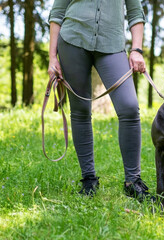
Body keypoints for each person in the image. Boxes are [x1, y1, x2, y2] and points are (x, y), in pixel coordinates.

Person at [48, 0, 151, 200]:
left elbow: (136, 13)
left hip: (112, 44)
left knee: (129, 108)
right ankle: (88, 180)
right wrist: (53, 58)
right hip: (72, 41)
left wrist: (136, 50)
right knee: (80, 111)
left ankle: (133, 181)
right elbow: (57, 13)